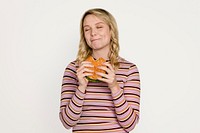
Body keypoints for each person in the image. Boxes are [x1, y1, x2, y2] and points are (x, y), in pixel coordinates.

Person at [59, 8, 141, 133]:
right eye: (87, 29)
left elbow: (130, 124)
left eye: (99, 27)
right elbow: (67, 122)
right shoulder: (73, 69)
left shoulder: (129, 69)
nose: (93, 33)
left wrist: (114, 86)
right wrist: (81, 88)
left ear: (111, 30)